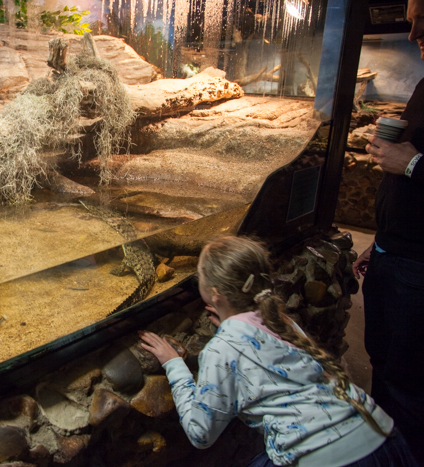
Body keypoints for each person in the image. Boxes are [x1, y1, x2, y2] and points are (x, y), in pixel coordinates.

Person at [140, 236, 417, 467]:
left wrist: (174, 365)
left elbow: (200, 434)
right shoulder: (283, 321)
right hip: (384, 436)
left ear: (214, 293)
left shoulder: (222, 349)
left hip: (331, 458)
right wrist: (233, 321)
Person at [354, 0, 424, 462]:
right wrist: (377, 244)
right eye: (415, 17)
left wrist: (415, 163)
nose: (415, 31)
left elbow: (415, 164)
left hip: (417, 265)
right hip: (391, 251)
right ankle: (384, 450)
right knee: (381, 358)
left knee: (409, 378)